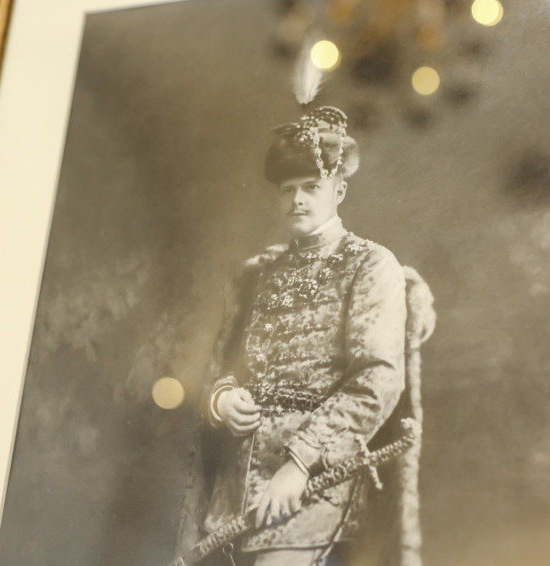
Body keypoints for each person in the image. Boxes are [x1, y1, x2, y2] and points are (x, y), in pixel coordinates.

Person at [182, 106, 418, 566]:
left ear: (339, 190)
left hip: (313, 487)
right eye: (287, 189)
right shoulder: (260, 274)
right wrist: (223, 400)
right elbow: (225, 368)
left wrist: (300, 462)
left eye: (312, 187)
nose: (297, 200)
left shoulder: (370, 264)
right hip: (234, 489)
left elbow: (377, 380)